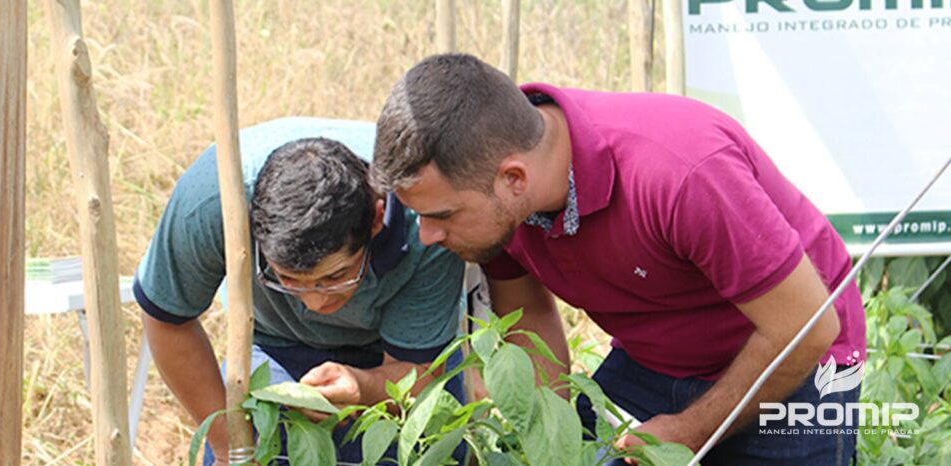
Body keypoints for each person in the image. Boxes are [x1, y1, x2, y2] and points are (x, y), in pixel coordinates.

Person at [369, 54, 866, 465]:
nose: (428, 237)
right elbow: (533, 319)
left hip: (796, 354)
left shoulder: (678, 172)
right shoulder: (493, 188)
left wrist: (692, 427)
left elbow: (806, 326)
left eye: (442, 215)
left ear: (514, 179)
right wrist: (552, 442)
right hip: (653, 356)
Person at [133, 117, 466, 464]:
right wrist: (231, 448)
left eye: (337, 276)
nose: (315, 303)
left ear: (376, 220)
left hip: (396, 354)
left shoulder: (424, 221)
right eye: (288, 280)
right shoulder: (214, 201)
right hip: (273, 341)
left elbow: (418, 371)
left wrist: (363, 386)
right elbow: (168, 320)